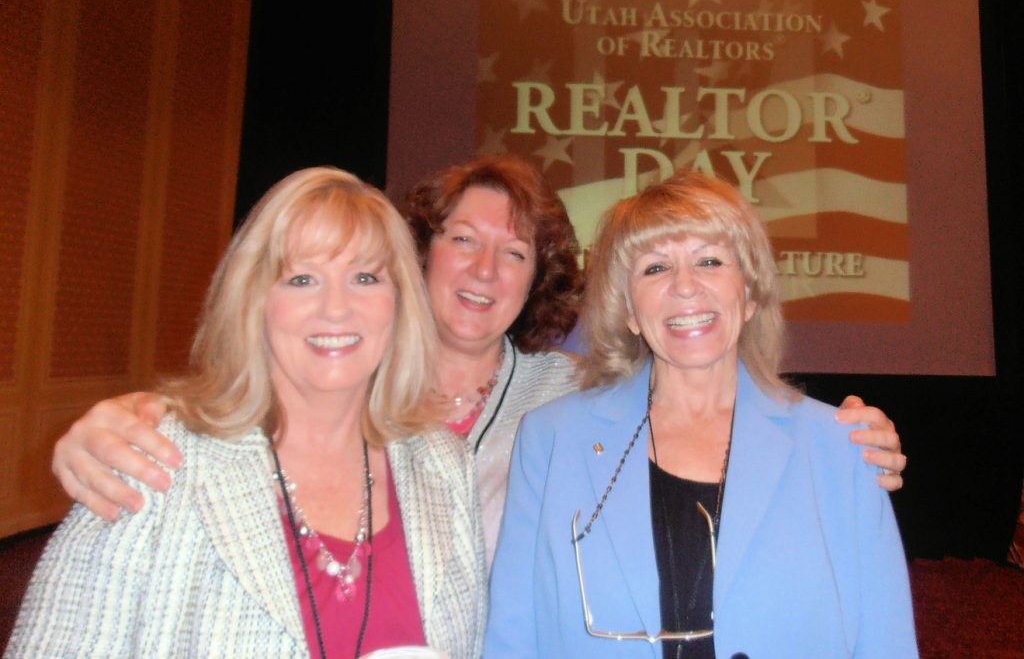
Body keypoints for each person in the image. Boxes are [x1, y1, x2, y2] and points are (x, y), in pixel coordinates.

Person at [50, 156, 906, 565]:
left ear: (541, 281)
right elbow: (239, 396)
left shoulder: (571, 395)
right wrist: (125, 416)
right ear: (418, 251)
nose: (485, 269)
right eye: (462, 240)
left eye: (515, 253)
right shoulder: (343, 373)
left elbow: (699, 381)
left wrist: (838, 433)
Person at [10, 168, 486, 658]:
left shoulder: (444, 467)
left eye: (365, 277)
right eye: (302, 279)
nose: (337, 308)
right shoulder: (154, 462)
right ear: (253, 300)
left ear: (400, 301)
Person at [485, 170, 917, 658]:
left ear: (750, 294)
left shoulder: (841, 446)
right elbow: (514, 635)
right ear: (628, 310)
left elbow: (886, 641)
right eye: (654, 268)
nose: (685, 287)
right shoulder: (551, 439)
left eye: (710, 260)